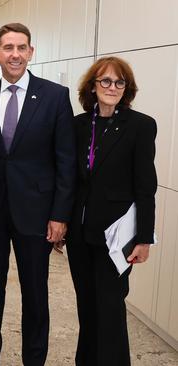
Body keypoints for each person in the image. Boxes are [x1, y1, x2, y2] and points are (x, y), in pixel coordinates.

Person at [0, 23, 75, 366]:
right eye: (7, 48)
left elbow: (66, 160)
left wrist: (60, 215)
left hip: (37, 212)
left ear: (31, 52)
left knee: (35, 292)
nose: (14, 54)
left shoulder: (55, 96)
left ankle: (35, 358)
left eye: (21, 47)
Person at [66, 56, 157, 366]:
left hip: (117, 237)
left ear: (126, 89)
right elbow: (71, 180)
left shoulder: (141, 126)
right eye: (105, 81)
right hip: (81, 235)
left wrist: (144, 238)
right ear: (92, 86)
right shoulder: (78, 125)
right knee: (87, 308)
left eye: (120, 82)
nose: (112, 87)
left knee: (110, 309)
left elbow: (146, 186)